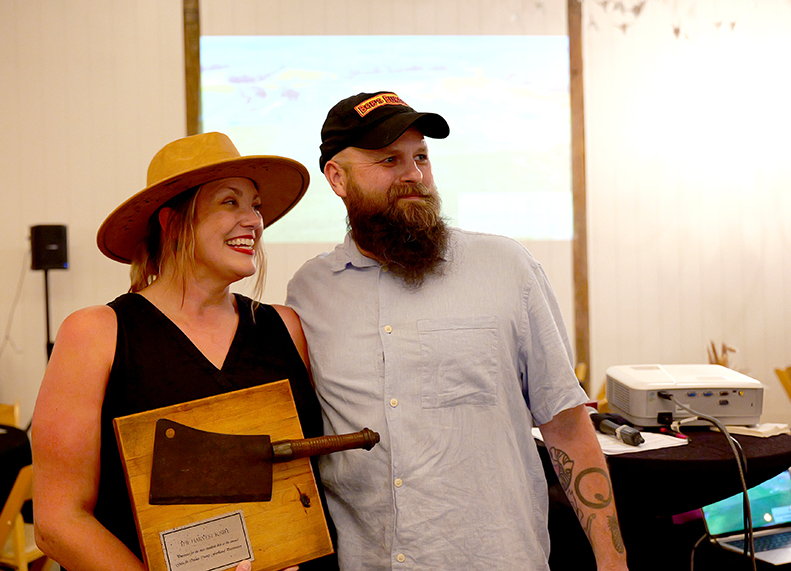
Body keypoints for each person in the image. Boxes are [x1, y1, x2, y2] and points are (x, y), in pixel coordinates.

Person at [286, 91, 629, 570]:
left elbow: (567, 427)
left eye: (421, 157)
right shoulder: (310, 291)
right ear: (337, 178)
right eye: (389, 160)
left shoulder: (506, 267)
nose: (413, 175)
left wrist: (613, 563)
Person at [31, 132, 336, 571]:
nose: (253, 220)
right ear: (172, 222)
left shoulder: (285, 328)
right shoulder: (96, 334)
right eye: (230, 202)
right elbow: (59, 521)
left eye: (255, 205)